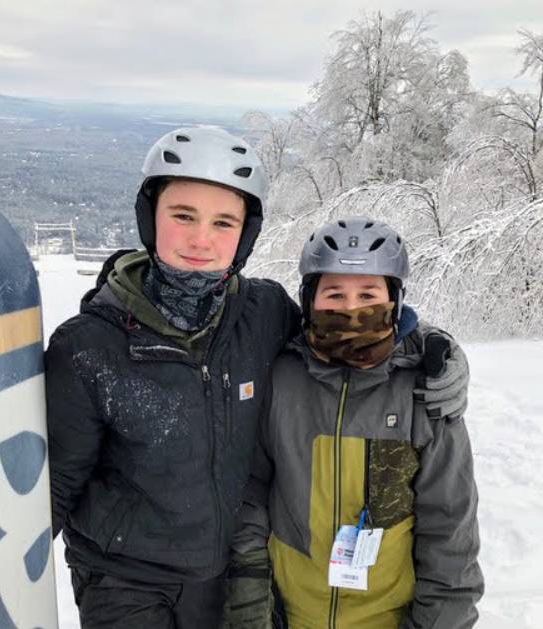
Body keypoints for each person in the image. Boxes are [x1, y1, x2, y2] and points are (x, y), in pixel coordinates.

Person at [44, 128, 468, 628]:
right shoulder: (90, 345)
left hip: (225, 577)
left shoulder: (262, 314)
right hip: (123, 580)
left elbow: (349, 333)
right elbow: (53, 483)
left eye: (223, 222)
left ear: (244, 235)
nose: (202, 239)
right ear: (150, 217)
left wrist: (431, 347)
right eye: (183, 216)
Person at [225, 218, 482, 628]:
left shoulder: (425, 391)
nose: (351, 309)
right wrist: (251, 598)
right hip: (288, 616)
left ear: (395, 301)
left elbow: (450, 529)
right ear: (308, 300)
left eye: (368, 294)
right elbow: (251, 493)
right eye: (334, 294)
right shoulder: (279, 379)